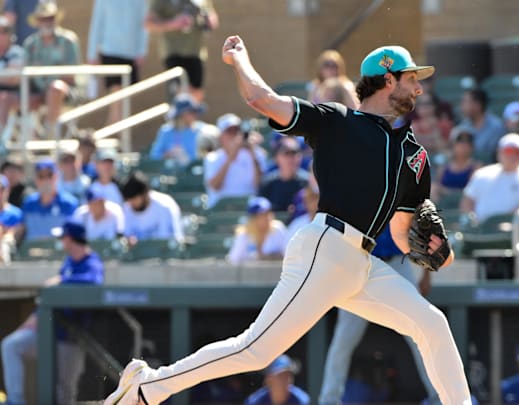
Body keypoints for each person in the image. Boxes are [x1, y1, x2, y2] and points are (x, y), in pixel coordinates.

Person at [103, 39, 471, 404]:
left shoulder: (413, 153)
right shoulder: (338, 121)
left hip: (363, 263)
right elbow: (262, 100)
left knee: (432, 323)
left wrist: (436, 253)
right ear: (388, 80)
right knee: (254, 350)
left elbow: (401, 233)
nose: (419, 86)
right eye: (411, 78)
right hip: (325, 250)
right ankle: (148, 386)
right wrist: (240, 61)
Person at [319, 226, 439, 405]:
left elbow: (424, 222)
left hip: (397, 263)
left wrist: (427, 271)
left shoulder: (402, 196)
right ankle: (329, 400)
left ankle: (439, 398)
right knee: (343, 340)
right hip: (359, 262)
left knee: (420, 334)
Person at [1, 221, 103, 405]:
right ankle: (16, 402)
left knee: (64, 394)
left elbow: (92, 282)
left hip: (71, 339)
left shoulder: (91, 262)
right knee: (11, 345)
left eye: (63, 237)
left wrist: (63, 280)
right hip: (48, 334)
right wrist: (33, 318)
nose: (61, 241)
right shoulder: (69, 262)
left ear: (70, 239)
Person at [23, 2, 81, 135]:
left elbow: (71, 75)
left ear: (56, 19)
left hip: (66, 92)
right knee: (7, 97)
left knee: (55, 88)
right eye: (43, 19)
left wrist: (48, 81)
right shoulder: (30, 44)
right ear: (37, 21)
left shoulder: (68, 41)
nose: (47, 22)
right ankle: (10, 140)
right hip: (37, 91)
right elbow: (25, 74)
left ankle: (49, 136)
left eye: (50, 18)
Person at [87, 0, 148, 124]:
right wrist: (92, 54)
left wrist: (141, 51)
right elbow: (97, 23)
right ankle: (116, 131)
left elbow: (143, 24)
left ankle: (119, 131)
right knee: (116, 93)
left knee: (125, 97)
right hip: (110, 51)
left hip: (131, 53)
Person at [145, 0, 219, 102]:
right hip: (173, 52)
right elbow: (149, 23)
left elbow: (213, 20)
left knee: (196, 94)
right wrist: (173, 23)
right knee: (178, 93)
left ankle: (193, 117)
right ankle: (177, 116)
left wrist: (208, 20)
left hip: (196, 52)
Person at [461, 133, 519, 224]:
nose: (512, 155)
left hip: (512, 232)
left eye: (517, 151)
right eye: (508, 151)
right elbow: (467, 201)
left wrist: (502, 222)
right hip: (479, 230)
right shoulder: (481, 174)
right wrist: (474, 221)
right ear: (499, 152)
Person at [204, 113, 265, 208]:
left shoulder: (256, 154)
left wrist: (252, 152)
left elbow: (259, 184)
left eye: (236, 131)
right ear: (221, 136)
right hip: (221, 210)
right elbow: (215, 186)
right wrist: (231, 157)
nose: (233, 135)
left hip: (247, 210)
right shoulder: (212, 158)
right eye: (229, 131)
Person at [21, 159, 78, 241]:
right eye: (41, 176)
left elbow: (74, 234)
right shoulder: (28, 203)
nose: (46, 180)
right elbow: (21, 228)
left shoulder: (69, 203)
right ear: (35, 179)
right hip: (32, 251)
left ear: (56, 177)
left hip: (59, 252)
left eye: (49, 175)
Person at [120, 171, 183, 243]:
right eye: (129, 200)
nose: (131, 204)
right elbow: (126, 237)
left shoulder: (165, 205)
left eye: (134, 199)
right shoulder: (127, 208)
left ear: (144, 194)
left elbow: (174, 240)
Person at [149, 93, 208, 165]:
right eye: (189, 112)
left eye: (194, 111)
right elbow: (154, 157)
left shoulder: (203, 130)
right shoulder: (166, 132)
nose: (193, 115)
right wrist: (168, 155)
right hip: (171, 173)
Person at [227, 196, 287, 264]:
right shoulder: (243, 236)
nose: (266, 218)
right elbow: (233, 261)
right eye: (261, 215)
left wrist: (268, 257)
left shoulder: (278, 229)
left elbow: (288, 256)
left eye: (267, 213)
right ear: (252, 218)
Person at [259, 136, 309, 212]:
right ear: (276, 158)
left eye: (295, 152)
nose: (291, 157)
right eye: (287, 153)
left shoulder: (308, 183)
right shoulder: (267, 183)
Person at [431, 125, 480, 201]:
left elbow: (473, 191)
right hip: (444, 207)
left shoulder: (477, 167)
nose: (464, 144)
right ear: (453, 145)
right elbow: (437, 186)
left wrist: (447, 191)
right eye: (460, 140)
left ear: (472, 146)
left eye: (468, 141)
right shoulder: (444, 167)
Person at [459, 88, 505, 163]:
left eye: (465, 101)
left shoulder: (496, 127)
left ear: (477, 105)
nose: (462, 106)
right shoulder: (463, 125)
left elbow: (492, 155)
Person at [244, 354, 310, 405]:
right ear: (268, 379)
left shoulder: (301, 400)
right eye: (280, 376)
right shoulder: (255, 401)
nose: (286, 380)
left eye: (288, 375)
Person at [0, 16, 25, 131]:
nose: (1, 35)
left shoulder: (16, 53)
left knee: (3, 98)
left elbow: (13, 78)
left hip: (13, 97)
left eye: (4, 31)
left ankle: (1, 142)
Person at [0, 174, 22, 263]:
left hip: (10, 252)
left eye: (1, 189)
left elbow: (17, 235)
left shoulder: (16, 213)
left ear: (7, 190)